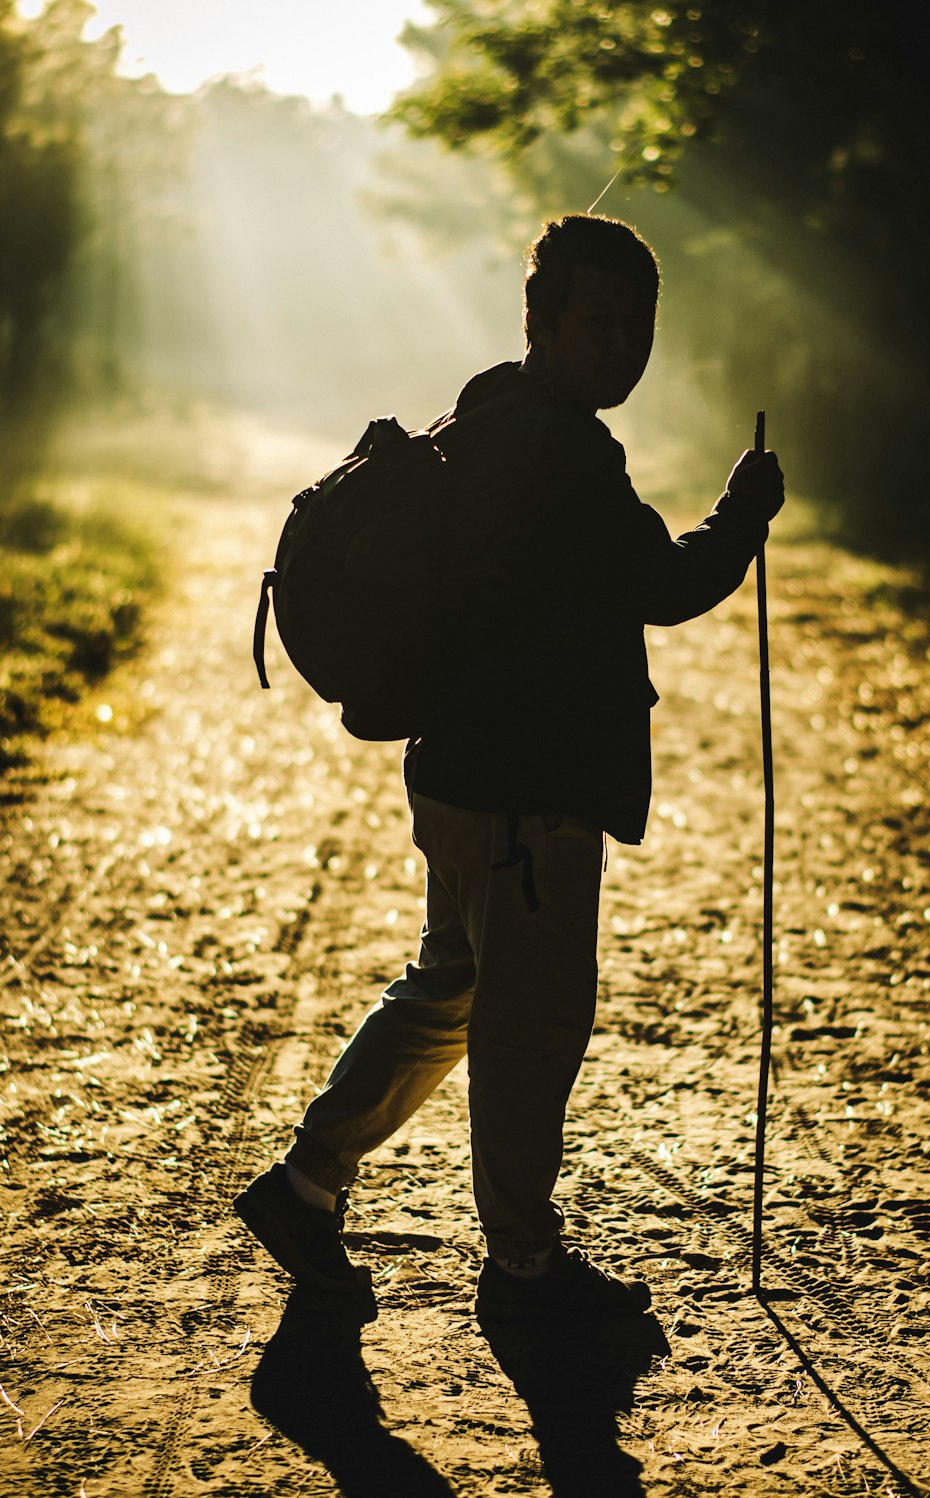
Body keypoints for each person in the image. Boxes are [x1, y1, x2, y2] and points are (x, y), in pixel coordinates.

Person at [235, 213, 784, 1324]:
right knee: (529, 1023)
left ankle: (304, 1186)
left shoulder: (487, 413)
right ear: (541, 322)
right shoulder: (564, 446)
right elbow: (664, 587)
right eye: (596, 321)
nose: (618, 345)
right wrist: (743, 514)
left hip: (461, 771)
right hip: (523, 790)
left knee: (452, 985)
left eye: (635, 327)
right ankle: (526, 1268)